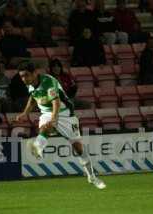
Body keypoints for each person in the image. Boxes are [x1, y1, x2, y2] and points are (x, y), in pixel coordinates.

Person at [14, 61, 106, 189]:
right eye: (22, 76)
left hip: (65, 114)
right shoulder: (30, 84)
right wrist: (25, 113)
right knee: (44, 127)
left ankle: (92, 177)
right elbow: (33, 97)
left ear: (35, 73)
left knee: (79, 148)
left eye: (26, 75)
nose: (24, 79)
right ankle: (38, 147)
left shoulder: (48, 82)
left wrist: (54, 118)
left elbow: (56, 102)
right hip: (46, 112)